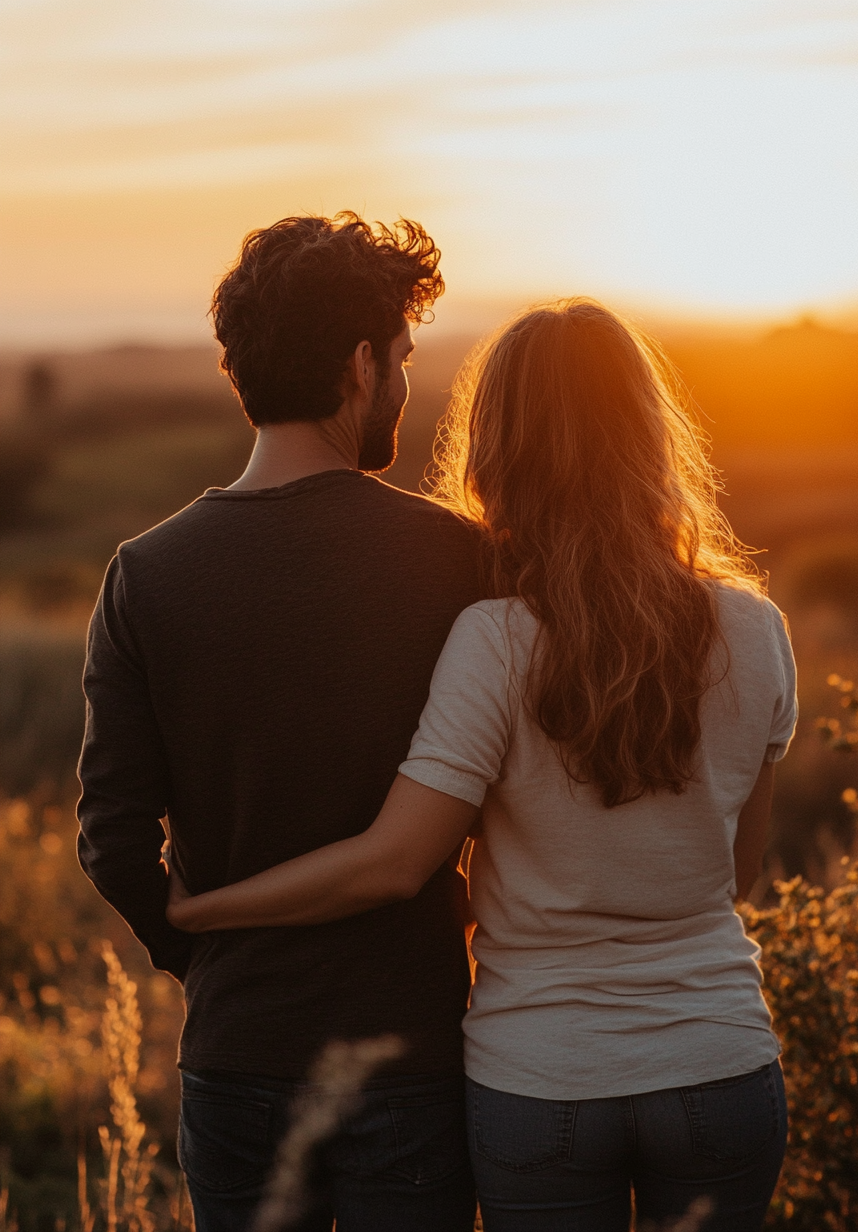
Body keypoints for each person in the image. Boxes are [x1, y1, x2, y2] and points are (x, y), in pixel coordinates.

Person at [167, 298, 799, 1232]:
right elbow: (735, 873)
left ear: (496, 447)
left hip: (542, 1080)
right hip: (722, 1065)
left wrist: (201, 910)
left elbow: (392, 861)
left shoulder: (495, 641)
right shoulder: (756, 630)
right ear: (650, 435)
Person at [77, 213, 483, 1232]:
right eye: (399, 356)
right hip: (410, 1052)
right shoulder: (456, 559)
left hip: (236, 1054)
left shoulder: (146, 572)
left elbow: (113, 839)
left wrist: (207, 954)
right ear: (359, 364)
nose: (401, 378)